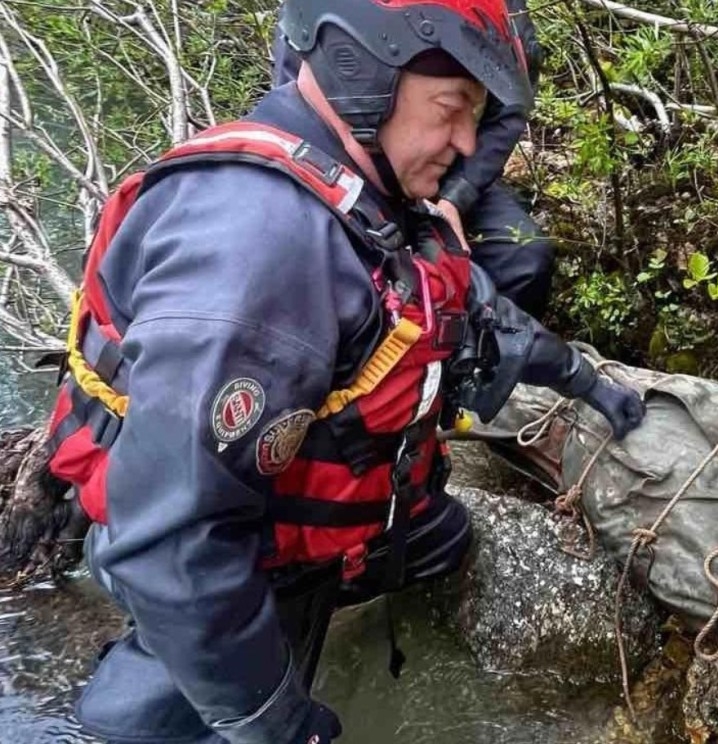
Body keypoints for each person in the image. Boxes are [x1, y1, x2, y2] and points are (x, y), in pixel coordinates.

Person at [43, 1, 644, 742]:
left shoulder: (371, 197)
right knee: (180, 709)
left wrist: (589, 385)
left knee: (443, 541)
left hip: (336, 512)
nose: (466, 143)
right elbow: (171, 540)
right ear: (364, 74)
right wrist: (281, 722)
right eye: (453, 111)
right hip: (236, 548)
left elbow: (477, 315)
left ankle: (354, 560)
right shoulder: (262, 249)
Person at [272, 0, 555, 319]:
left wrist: (456, 197)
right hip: (352, 161)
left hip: (452, 167)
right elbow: (305, 95)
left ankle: (482, 354)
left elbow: (509, 108)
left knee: (524, 257)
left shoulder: (503, 8)